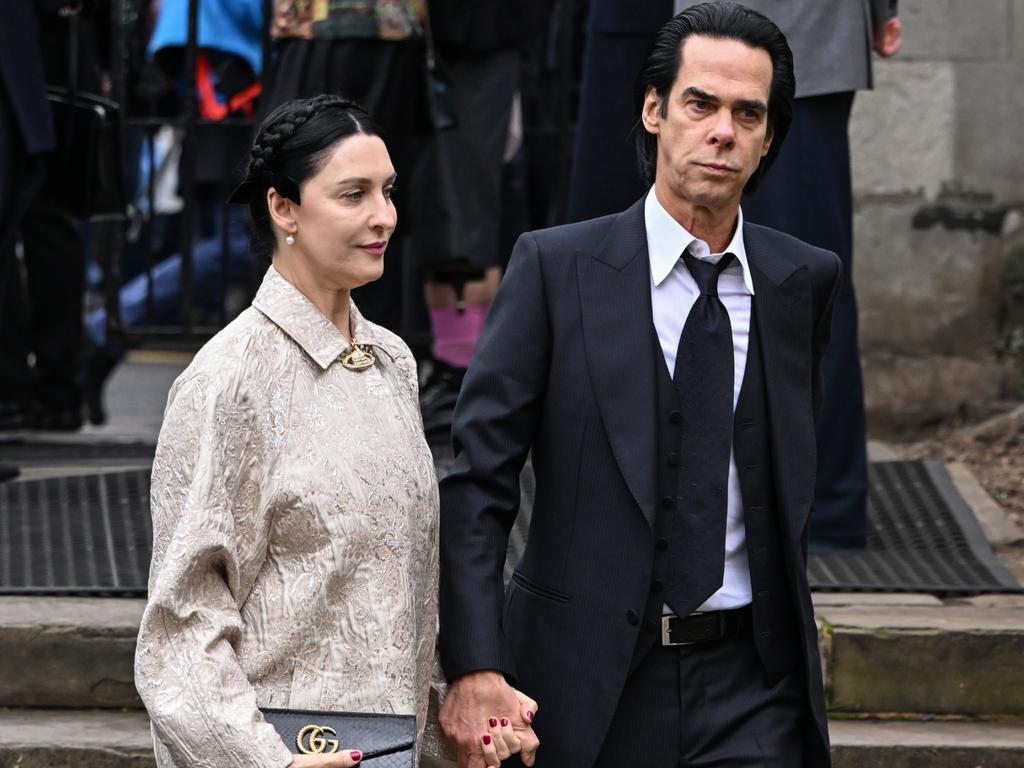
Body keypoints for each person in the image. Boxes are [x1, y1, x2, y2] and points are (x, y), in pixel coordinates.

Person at [439, 4, 840, 767]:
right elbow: (477, 487)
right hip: (584, 684)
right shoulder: (555, 270)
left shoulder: (803, 281)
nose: (722, 131)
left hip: (754, 692)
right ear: (655, 110)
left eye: (747, 114)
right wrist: (474, 663)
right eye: (700, 104)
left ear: (768, 139)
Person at [135, 94, 463, 768]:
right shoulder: (227, 380)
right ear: (283, 208)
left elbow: (402, 600)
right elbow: (179, 626)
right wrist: (268, 763)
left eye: (388, 192)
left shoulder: (394, 361)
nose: (384, 217)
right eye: (353, 194)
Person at [673, 0, 901, 551]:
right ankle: (772, 502)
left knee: (800, 278)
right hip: (737, 41)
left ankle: (818, 505)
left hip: (795, 36)